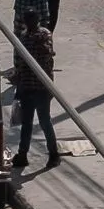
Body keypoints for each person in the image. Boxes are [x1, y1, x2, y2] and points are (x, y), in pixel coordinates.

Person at [11, 19, 63, 173]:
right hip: (42, 87)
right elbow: (48, 57)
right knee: (43, 121)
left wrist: (16, 76)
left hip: (30, 87)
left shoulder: (25, 38)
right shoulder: (45, 35)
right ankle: (53, 155)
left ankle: (23, 155)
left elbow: (20, 63)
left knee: (29, 123)